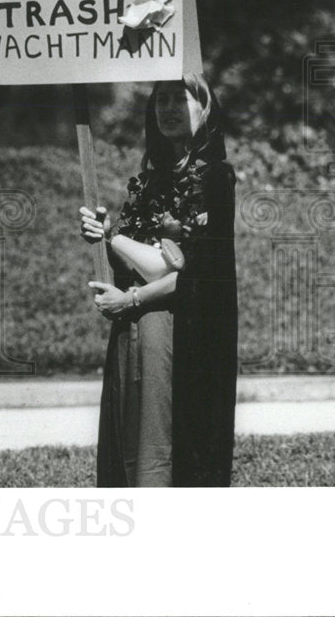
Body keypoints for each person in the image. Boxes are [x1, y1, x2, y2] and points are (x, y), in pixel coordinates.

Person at [79, 74, 238, 487]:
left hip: (182, 337)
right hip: (134, 334)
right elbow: (141, 264)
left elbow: (197, 275)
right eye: (160, 99)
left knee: (167, 452)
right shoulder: (152, 178)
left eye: (179, 99)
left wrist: (126, 287)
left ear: (203, 108)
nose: (167, 108)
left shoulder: (215, 179)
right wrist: (106, 235)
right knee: (129, 445)